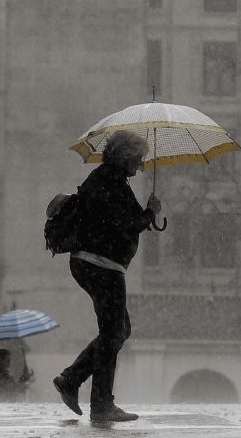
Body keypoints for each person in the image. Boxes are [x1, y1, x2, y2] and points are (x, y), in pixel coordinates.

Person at [52, 130, 160, 422]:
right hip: (101, 265)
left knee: (119, 330)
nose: (140, 165)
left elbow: (124, 221)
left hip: (97, 265)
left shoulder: (109, 180)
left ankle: (72, 379)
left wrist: (147, 215)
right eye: (137, 159)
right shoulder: (109, 182)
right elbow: (125, 224)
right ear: (125, 156)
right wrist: (150, 213)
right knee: (114, 332)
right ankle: (100, 404)